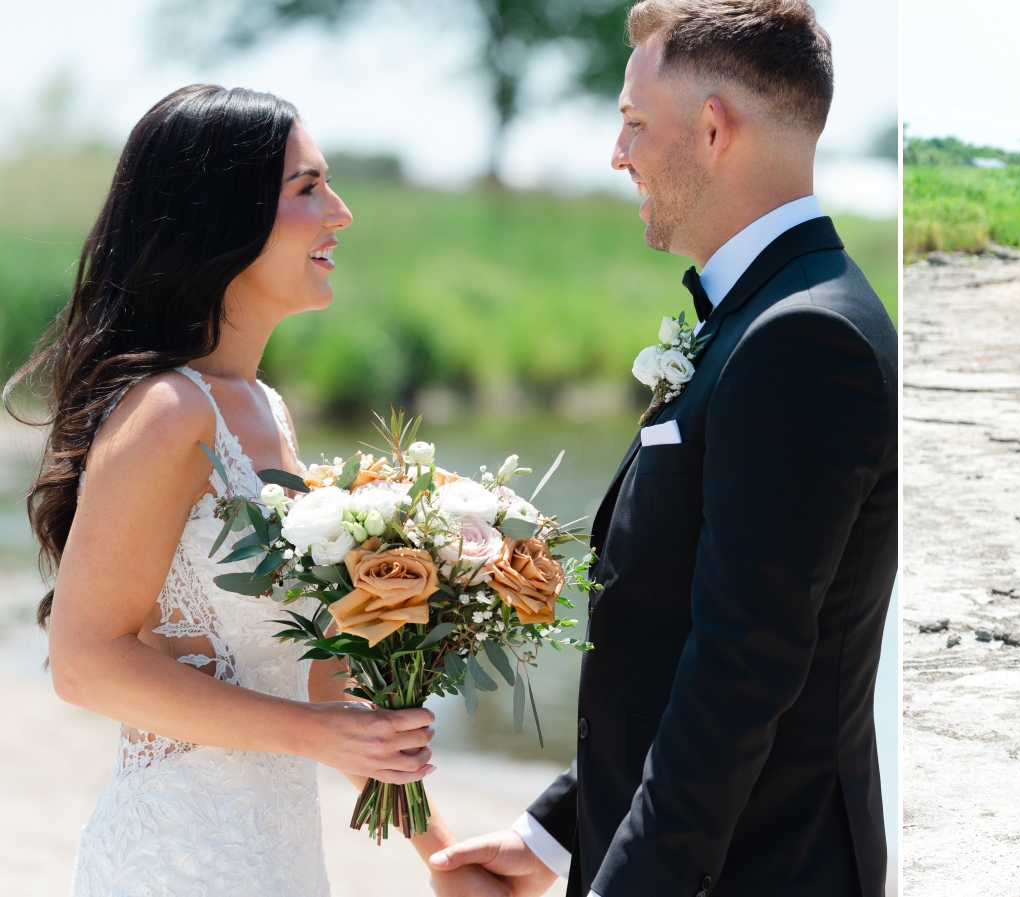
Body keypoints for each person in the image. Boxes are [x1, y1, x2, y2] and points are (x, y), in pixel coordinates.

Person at [426, 1, 899, 895]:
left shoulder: (804, 338)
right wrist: (557, 832)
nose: (618, 153)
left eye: (634, 122)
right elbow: (672, 638)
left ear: (713, 128)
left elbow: (739, 673)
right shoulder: (761, 314)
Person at [5, 84, 489, 896]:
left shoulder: (265, 410)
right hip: (175, 860)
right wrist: (312, 735)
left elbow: (317, 678)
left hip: (279, 858)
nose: (340, 212)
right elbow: (83, 662)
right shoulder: (168, 412)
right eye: (308, 188)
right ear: (223, 216)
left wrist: (444, 857)